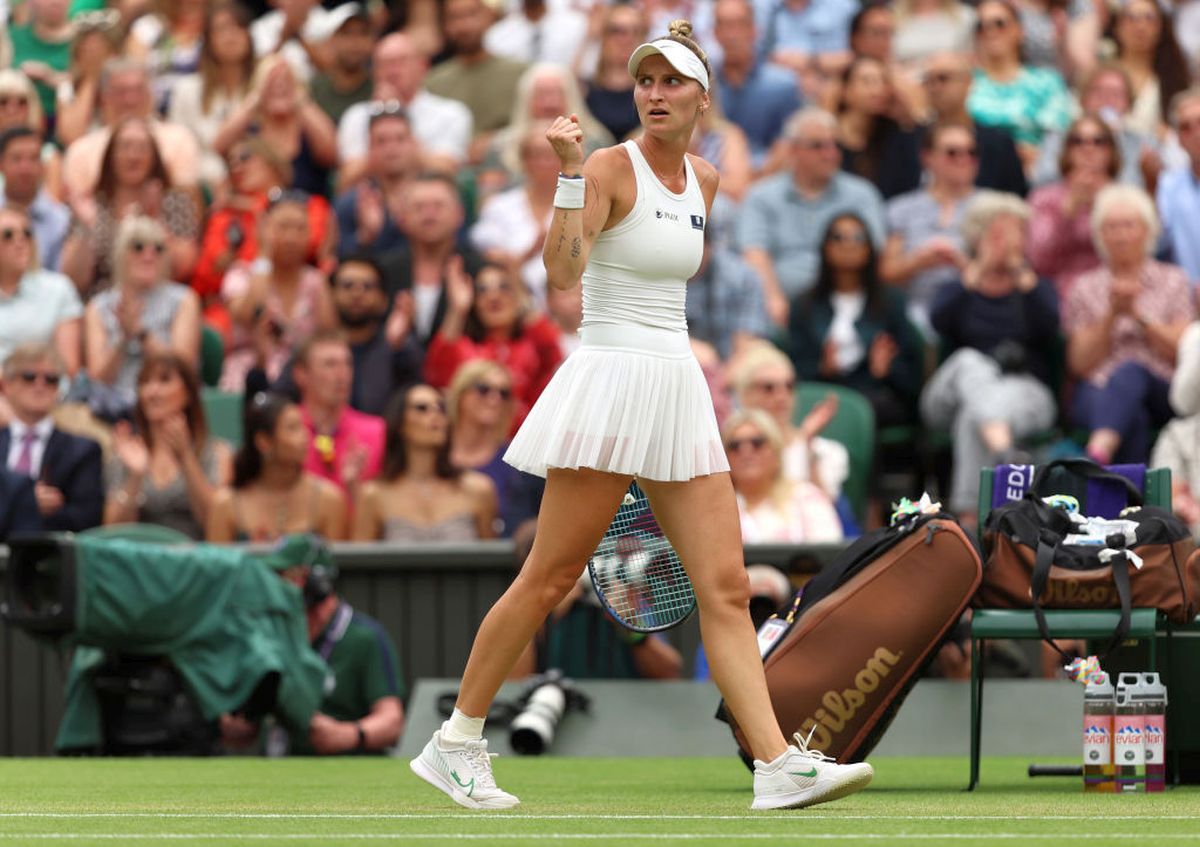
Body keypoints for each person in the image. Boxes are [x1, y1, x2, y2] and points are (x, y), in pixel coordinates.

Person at [409, 20, 873, 811]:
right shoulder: (604, 166)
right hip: (611, 381)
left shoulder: (707, 179)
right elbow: (562, 275)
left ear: (701, 98)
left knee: (726, 587)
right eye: (645, 81)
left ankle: (775, 763)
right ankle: (456, 739)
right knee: (549, 576)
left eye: (671, 81)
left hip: (677, 386)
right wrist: (567, 175)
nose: (655, 94)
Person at [921, 191, 1060, 520]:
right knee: (970, 362)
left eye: (1017, 232)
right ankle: (1005, 454)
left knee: (975, 416)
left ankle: (970, 517)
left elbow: (1050, 327)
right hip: (952, 394)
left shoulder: (1036, 288)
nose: (1009, 242)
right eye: (999, 233)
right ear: (977, 237)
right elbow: (938, 322)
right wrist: (978, 270)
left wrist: (1022, 278)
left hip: (1022, 389)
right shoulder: (958, 287)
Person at [222, 534, 405, 756]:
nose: (274, 587)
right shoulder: (269, 635)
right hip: (283, 765)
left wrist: (348, 734)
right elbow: (243, 730)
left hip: (347, 766)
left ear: (317, 581)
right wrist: (235, 722)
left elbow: (391, 720)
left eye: (285, 576)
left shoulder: (364, 638)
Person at [1065, 184, 1193, 464]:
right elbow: (1079, 364)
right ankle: (1117, 478)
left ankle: (1096, 458)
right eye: (1111, 227)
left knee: (1131, 371)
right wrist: (1112, 316)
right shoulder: (1085, 287)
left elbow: (1183, 351)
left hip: (1160, 388)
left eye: (1128, 226)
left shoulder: (1173, 280)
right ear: (1099, 235)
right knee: (1131, 416)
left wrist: (1138, 317)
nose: (1121, 236)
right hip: (1098, 391)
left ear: (1148, 231)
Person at [739, 107, 886, 325]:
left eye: (835, 145)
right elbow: (754, 254)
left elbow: (873, 251)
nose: (830, 154)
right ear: (793, 150)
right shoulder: (761, 196)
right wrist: (773, 299)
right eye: (818, 146)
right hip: (782, 307)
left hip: (848, 305)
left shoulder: (862, 195)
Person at [789, 214, 924, 430]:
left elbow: (913, 372)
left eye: (858, 237)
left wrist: (887, 370)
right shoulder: (804, 305)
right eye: (838, 237)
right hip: (823, 392)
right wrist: (822, 368)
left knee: (857, 411)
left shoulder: (891, 301)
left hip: (877, 395)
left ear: (870, 247)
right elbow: (793, 366)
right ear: (825, 247)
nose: (848, 245)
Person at [59, 117, 200, 296]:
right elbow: (73, 279)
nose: (133, 156)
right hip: (101, 300)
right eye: (125, 147)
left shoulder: (173, 201)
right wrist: (89, 226)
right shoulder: (92, 203)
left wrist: (154, 218)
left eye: (142, 148)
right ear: (110, 156)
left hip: (160, 300)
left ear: (154, 156)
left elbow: (185, 268)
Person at [104, 353, 234, 540]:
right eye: (145, 382)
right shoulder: (128, 452)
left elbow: (214, 523)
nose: (152, 392)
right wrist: (135, 476)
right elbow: (111, 532)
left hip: (192, 553)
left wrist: (186, 457)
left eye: (164, 380)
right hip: (140, 555)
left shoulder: (216, 453)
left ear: (188, 392)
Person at [423, 261, 562, 431]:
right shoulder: (465, 348)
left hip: (523, 441)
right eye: (482, 290)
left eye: (504, 287)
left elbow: (552, 355)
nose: (493, 296)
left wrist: (521, 292)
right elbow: (436, 372)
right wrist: (458, 309)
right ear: (475, 302)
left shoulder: (532, 347)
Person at [83, 216, 201, 416]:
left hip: (168, 407)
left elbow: (183, 370)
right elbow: (98, 378)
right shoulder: (98, 307)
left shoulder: (184, 300)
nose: (148, 256)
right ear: (121, 253)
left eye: (158, 249)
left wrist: (141, 334)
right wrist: (123, 339)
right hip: (111, 410)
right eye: (138, 247)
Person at [219, 191, 336, 392]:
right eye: (283, 227)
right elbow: (248, 313)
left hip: (302, 379)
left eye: (300, 228)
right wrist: (264, 256)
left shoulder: (316, 281)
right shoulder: (241, 275)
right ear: (263, 230)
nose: (291, 237)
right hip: (249, 373)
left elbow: (329, 337)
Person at [352, 383, 497, 542]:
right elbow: (361, 556)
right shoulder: (373, 495)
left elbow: (491, 555)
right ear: (400, 423)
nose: (435, 415)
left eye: (441, 408)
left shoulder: (478, 490)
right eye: (422, 408)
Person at [206, 392, 348, 542]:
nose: (305, 436)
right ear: (263, 441)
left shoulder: (329, 500)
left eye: (303, 426)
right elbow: (216, 557)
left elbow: (339, 556)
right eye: (292, 428)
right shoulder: (226, 505)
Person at [879, 122, 976, 335]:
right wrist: (917, 261)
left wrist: (961, 263)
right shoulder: (900, 209)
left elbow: (1003, 275)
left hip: (973, 309)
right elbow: (885, 273)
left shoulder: (992, 208)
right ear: (927, 158)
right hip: (913, 308)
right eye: (952, 153)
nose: (964, 160)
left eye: (971, 153)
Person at [335, 33, 474, 179]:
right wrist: (385, 114)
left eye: (401, 62)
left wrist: (398, 112)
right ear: (373, 72)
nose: (392, 71)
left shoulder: (452, 113)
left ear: (423, 66)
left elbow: (445, 171)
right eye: (384, 64)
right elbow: (348, 176)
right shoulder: (356, 116)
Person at [60, 59, 201, 198]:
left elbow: (186, 198)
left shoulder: (179, 139)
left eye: (138, 90)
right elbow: (77, 201)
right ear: (104, 97)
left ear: (151, 94)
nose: (131, 100)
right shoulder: (81, 151)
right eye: (121, 92)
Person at [0, 342, 102, 532]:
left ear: (58, 389)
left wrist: (43, 511)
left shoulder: (82, 450)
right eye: (29, 377)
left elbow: (87, 519)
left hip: (47, 546)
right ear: (7, 385)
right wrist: (28, 502)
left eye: (51, 379)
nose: (40, 385)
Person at [212, 55, 338, 198]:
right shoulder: (250, 131)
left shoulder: (309, 129)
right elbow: (219, 147)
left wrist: (302, 101)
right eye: (271, 82)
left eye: (286, 81)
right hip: (258, 207)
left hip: (307, 207)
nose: (279, 86)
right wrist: (255, 99)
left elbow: (331, 154)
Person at [967, 0, 1071, 168]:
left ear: (1019, 30)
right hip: (978, 167)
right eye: (981, 27)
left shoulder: (1047, 82)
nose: (990, 32)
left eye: (999, 24)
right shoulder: (965, 82)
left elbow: (1058, 135)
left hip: (1037, 168)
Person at [447, 359, 543, 538]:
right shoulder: (433, 455)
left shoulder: (519, 462)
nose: (495, 398)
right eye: (483, 389)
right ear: (460, 394)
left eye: (504, 393)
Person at [166, 2, 258, 188]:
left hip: (257, 180)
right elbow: (178, 148)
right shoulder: (186, 90)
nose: (231, 36)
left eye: (239, 27)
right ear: (208, 41)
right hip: (203, 183)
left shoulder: (264, 87)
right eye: (222, 29)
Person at [1028, 114, 1117, 303]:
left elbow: (1137, 255)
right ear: (1067, 150)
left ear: (1111, 150)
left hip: (1114, 291)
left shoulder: (1124, 198)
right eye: (1077, 141)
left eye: (1098, 141)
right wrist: (1069, 210)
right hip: (1059, 295)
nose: (1088, 148)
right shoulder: (1044, 198)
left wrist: (1105, 204)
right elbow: (1038, 259)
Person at [1031, 64, 1161, 191]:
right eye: (1099, 92)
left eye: (1117, 94)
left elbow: (1139, 188)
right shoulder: (1058, 138)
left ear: (1129, 103)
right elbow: (1041, 182)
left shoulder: (1144, 143)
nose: (1108, 100)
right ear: (1083, 99)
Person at [470, 124, 559, 309]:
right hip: (514, 305)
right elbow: (492, 261)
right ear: (524, 161)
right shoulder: (499, 207)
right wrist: (530, 252)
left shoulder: (582, 207)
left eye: (553, 155)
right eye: (537, 155)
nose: (545, 162)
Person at [724, 408, 843, 543]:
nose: (746, 451)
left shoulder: (807, 497)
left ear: (777, 454)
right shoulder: (717, 510)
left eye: (757, 443)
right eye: (735, 446)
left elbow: (829, 550)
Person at [423, 0, 528, 152]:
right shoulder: (433, 82)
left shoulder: (519, 73)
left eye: (471, 15)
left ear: (488, 17)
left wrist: (495, 139)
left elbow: (530, 125)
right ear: (445, 25)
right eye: (455, 17)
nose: (464, 25)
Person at [292, 330, 385, 497]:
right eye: (330, 364)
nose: (342, 375)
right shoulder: (284, 433)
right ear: (301, 374)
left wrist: (355, 489)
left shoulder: (377, 432)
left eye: (348, 364)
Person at [712, 0, 804, 170]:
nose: (731, 35)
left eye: (739, 24)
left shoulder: (783, 85)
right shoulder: (703, 83)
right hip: (713, 176)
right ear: (714, 32)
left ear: (754, 30)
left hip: (768, 176)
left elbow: (788, 143)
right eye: (723, 25)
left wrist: (755, 180)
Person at [920, 51, 1027, 197]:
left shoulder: (999, 143)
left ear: (968, 82)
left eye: (943, 78)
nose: (935, 87)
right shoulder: (909, 140)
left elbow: (1015, 198)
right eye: (928, 80)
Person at [0, 204, 81, 375]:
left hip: (43, 386)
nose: (20, 241)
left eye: (27, 233)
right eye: (8, 235)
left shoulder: (58, 290)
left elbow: (68, 367)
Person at [333, 104, 420, 258]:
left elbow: (457, 249)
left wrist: (417, 228)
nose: (392, 148)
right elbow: (337, 259)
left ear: (414, 144)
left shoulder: (435, 198)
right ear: (369, 148)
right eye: (381, 141)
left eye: (400, 139)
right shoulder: (353, 203)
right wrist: (366, 236)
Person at [834, 55, 921, 200]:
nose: (877, 90)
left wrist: (906, 118)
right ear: (845, 90)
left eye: (883, 82)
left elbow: (910, 186)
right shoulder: (828, 137)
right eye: (867, 82)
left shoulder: (897, 134)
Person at [1105, 0, 1189, 139]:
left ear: (1161, 27)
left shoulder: (1174, 80)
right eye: (1132, 18)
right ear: (1117, 26)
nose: (1140, 26)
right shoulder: (1101, 74)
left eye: (1149, 19)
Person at [0, 126, 68, 270]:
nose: (25, 168)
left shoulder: (60, 220)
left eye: (33, 158)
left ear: (43, 166)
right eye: (16, 159)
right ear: (1, 164)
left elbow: (59, 275)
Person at [124, 0, 207, 114]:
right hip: (155, 111)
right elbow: (134, 75)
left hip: (202, 109)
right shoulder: (148, 27)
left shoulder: (215, 26)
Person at [582, 4, 647, 143]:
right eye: (617, 30)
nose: (627, 39)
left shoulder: (653, 87)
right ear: (603, 35)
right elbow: (569, 91)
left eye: (636, 31)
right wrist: (589, 39)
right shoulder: (584, 87)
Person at [1155, 87, 1200, 283]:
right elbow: (1157, 248)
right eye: (1186, 127)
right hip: (1184, 298)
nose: (1197, 133)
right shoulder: (1166, 186)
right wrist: (1150, 188)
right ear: (1179, 140)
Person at [307, 4, 375, 126]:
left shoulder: (378, 91)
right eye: (346, 33)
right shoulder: (314, 90)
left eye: (363, 33)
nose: (355, 42)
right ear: (332, 39)